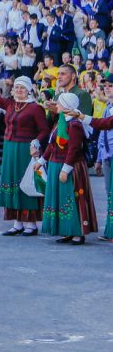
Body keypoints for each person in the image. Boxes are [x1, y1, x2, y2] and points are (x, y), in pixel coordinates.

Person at [0, 76, 50, 235]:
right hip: (9, 147)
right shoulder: (11, 104)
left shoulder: (35, 108)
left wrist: (36, 142)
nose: (19, 90)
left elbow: (44, 130)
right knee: (12, 182)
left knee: (26, 183)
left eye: (22, 88)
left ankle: (30, 224)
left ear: (28, 90)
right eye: (17, 87)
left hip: (25, 149)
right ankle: (17, 222)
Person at [40, 92, 98, 244]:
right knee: (61, 198)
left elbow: (73, 149)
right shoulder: (61, 121)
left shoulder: (75, 125)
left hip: (71, 167)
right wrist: (41, 161)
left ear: (66, 106)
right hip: (55, 164)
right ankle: (67, 231)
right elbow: (51, 146)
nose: (56, 105)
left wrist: (65, 170)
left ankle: (78, 232)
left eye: (59, 103)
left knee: (73, 198)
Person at [78, 84, 113, 241]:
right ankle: (110, 231)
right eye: (105, 86)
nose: (107, 88)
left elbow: (104, 124)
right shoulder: (108, 106)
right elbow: (103, 132)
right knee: (110, 194)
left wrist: (82, 117)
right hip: (107, 155)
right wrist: (99, 159)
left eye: (111, 86)